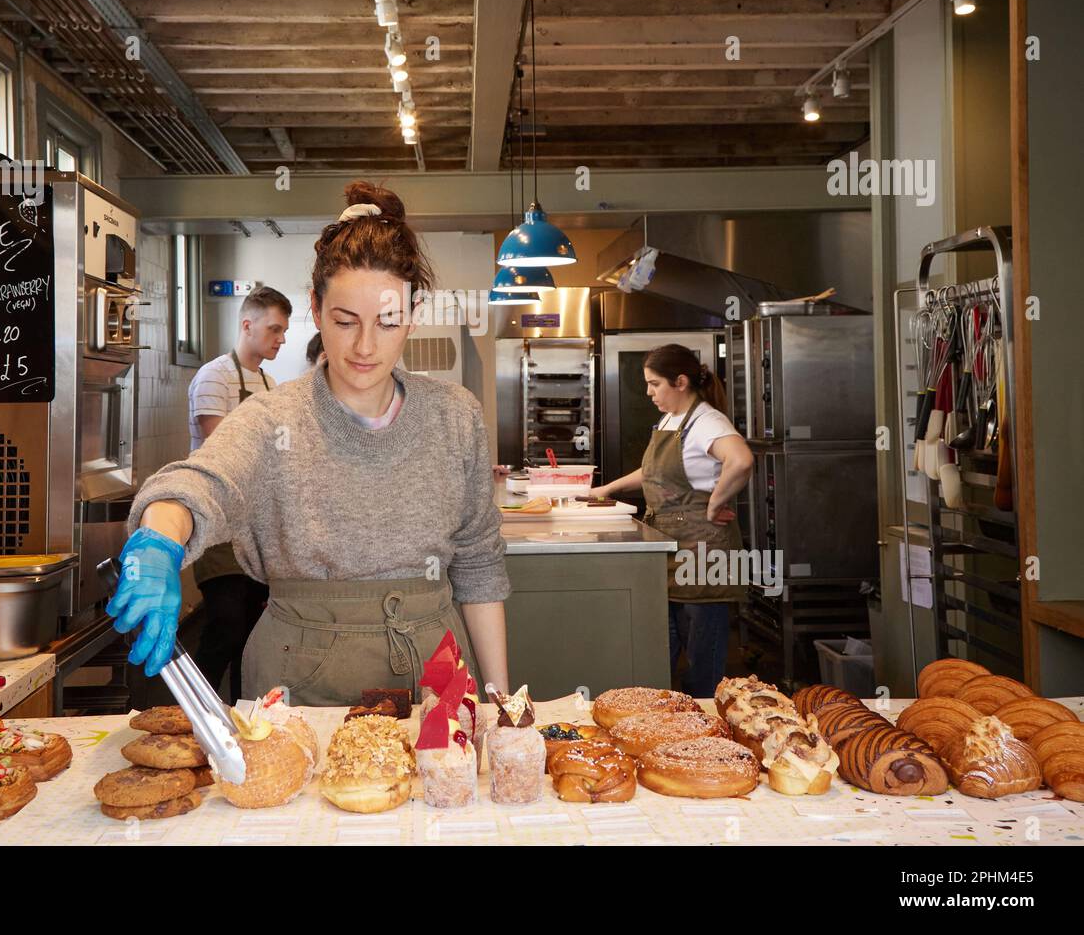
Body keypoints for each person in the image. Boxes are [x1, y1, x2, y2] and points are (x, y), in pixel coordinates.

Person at [107, 182, 511, 703]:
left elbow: (478, 564)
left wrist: (501, 700)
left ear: (411, 316)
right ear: (317, 311)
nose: (365, 346)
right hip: (297, 683)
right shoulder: (272, 418)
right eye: (345, 322)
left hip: (436, 679)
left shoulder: (456, 415)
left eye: (387, 322)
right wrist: (158, 540)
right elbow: (200, 481)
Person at [590, 344, 754, 698]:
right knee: (661, 655)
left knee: (702, 667)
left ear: (680, 381)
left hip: (703, 558)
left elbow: (741, 460)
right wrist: (606, 489)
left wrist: (716, 503)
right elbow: (652, 473)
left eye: (654, 384)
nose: (649, 393)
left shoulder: (707, 420)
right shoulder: (671, 420)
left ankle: (708, 737)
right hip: (670, 548)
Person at [185, 285, 291, 700]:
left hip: (256, 526)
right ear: (247, 325)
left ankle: (245, 720)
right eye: (274, 329)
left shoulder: (269, 382)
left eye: (283, 331)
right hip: (220, 524)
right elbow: (225, 450)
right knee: (225, 625)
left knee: (252, 632)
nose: (280, 339)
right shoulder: (215, 376)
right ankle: (197, 711)